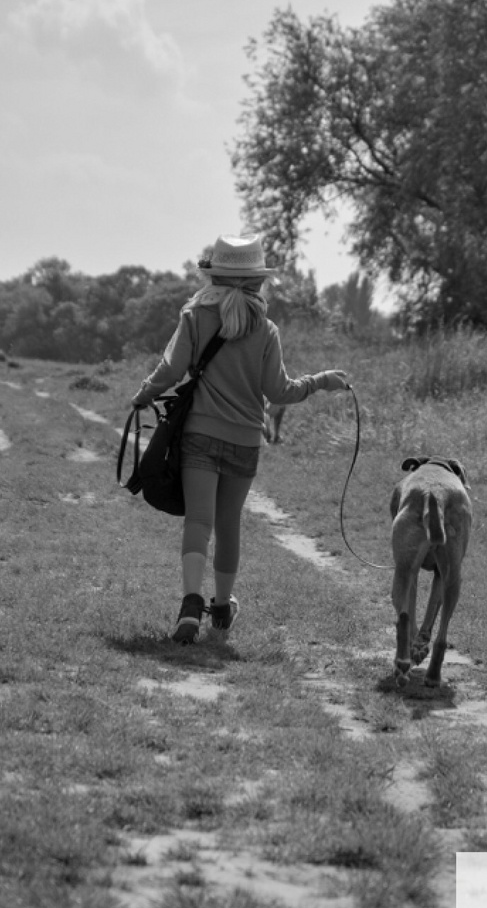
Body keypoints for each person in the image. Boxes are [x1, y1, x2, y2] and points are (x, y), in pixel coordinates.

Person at [130, 233, 349, 644]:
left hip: (199, 434)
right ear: (256, 282)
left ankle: (190, 606)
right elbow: (280, 391)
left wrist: (143, 395)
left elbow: (170, 368)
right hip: (246, 441)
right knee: (229, 525)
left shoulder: (194, 317)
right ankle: (221, 611)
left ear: (214, 276)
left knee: (198, 520)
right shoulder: (265, 330)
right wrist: (322, 381)